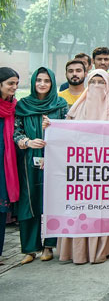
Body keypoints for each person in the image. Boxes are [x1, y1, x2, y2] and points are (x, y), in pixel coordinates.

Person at [58, 69, 109, 264]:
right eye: (92, 82)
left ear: (108, 85)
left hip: (107, 169)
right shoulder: (78, 107)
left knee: (105, 208)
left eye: (101, 82)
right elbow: (67, 136)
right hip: (81, 169)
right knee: (81, 208)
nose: (96, 86)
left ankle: (105, 249)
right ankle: (78, 251)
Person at [13, 68, 67, 264]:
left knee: (51, 201)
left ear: (52, 83)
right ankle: (29, 249)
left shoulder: (60, 105)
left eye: (46, 81)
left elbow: (69, 131)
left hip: (53, 160)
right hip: (29, 160)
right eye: (39, 80)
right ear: (34, 82)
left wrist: (54, 125)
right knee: (29, 201)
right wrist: (27, 141)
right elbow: (15, 131)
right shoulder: (23, 105)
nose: (42, 84)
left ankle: (48, 246)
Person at [0, 68, 20, 263]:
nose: (14, 87)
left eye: (16, 83)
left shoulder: (14, 107)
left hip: (5, 163)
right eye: (10, 84)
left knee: (1, 209)